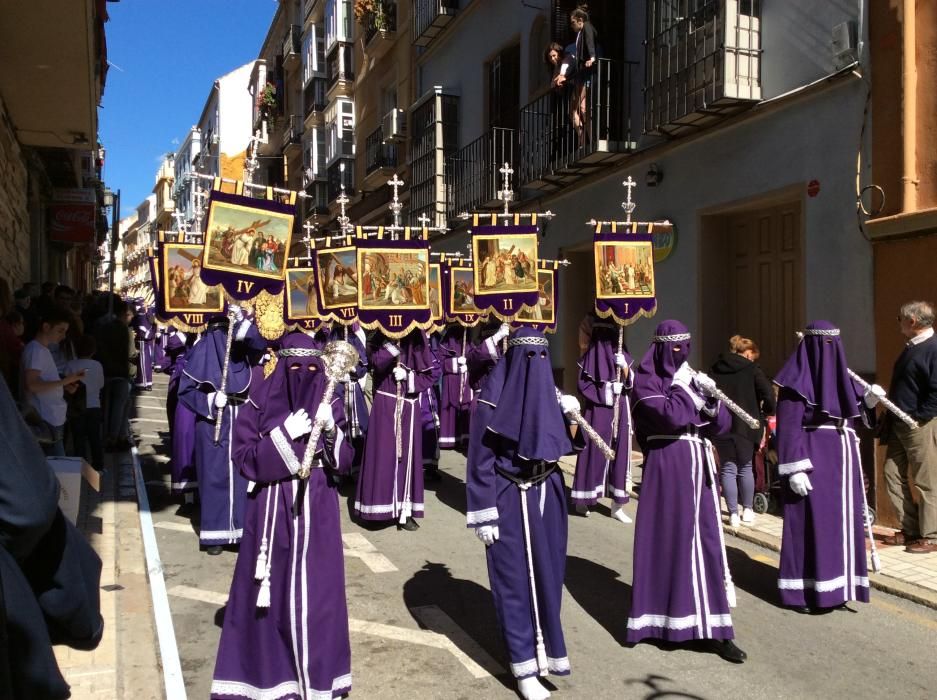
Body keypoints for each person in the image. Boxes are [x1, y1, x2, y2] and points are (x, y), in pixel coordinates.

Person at [212, 332, 353, 699]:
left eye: (311, 368)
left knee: (318, 597)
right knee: (270, 600)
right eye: (295, 368)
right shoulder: (259, 402)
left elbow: (346, 461)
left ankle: (319, 677)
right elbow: (243, 458)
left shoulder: (329, 399)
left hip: (317, 507)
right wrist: (283, 435)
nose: (302, 376)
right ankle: (272, 676)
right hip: (272, 510)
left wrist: (331, 430)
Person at [466, 327, 579, 700]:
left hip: (548, 492)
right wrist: (483, 511)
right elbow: (480, 459)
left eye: (542, 356)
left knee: (548, 579)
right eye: (529, 356)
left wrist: (570, 417)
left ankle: (546, 653)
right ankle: (524, 667)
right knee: (514, 582)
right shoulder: (493, 397)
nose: (536, 364)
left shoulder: (549, 392)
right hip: (510, 495)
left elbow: (555, 444)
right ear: (514, 357)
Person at [626, 321, 746, 663]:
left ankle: (715, 629)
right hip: (668, 465)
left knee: (706, 544)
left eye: (687, 346)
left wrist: (710, 398)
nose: (683, 355)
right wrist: (683, 390)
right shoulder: (645, 382)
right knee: (671, 541)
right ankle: (663, 622)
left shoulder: (689, 378)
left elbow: (720, 426)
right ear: (663, 347)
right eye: (677, 348)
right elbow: (671, 418)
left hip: (700, 465)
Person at [774, 321, 875, 611]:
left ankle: (839, 587)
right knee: (811, 524)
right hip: (813, 457)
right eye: (825, 344)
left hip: (842, 460)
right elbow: (789, 426)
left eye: (835, 343)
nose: (831, 351)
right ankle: (803, 592)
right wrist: (793, 467)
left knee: (841, 525)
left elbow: (852, 412)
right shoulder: (796, 381)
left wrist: (868, 400)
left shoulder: (843, 377)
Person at [178, 308, 266, 554]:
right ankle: (215, 535)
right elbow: (185, 391)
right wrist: (208, 401)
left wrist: (242, 321)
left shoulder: (240, 349)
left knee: (242, 476)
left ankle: (240, 531)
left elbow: (259, 342)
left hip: (240, 416)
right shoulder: (202, 349)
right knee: (214, 474)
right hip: (212, 420)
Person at [355, 329, 439, 531]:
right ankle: (376, 509)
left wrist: (409, 376)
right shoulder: (379, 336)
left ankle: (405, 510)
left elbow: (430, 374)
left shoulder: (416, 337)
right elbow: (375, 363)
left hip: (408, 406)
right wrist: (392, 344)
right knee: (382, 456)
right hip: (385, 403)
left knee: (406, 460)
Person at [882, 301, 937, 553]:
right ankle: (910, 528)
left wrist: (919, 417)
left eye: (900, 319)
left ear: (912, 321)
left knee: (926, 480)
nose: (899, 324)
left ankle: (931, 535)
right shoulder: (911, 347)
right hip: (899, 422)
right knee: (891, 473)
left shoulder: (932, 348)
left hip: (919, 425)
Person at [571, 315, 634, 522]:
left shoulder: (621, 353)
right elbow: (584, 386)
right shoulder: (589, 358)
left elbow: (633, 382)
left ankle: (617, 505)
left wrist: (624, 368)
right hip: (598, 411)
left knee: (621, 454)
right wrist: (608, 389)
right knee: (593, 453)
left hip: (621, 410)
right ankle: (585, 498)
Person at [710, 335, 776, 527]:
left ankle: (732, 514)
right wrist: (767, 412)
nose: (753, 360)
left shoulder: (715, 367)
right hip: (747, 424)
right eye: (752, 356)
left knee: (728, 468)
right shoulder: (752, 369)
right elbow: (768, 393)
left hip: (722, 424)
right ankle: (747, 510)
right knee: (746, 467)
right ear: (747, 352)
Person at [21, 307, 86, 457]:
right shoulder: (36, 351)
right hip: (45, 419)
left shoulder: (40, 350)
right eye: (60, 330)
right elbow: (32, 384)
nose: (63, 336)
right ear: (46, 327)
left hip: (50, 418)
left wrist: (64, 385)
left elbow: (41, 382)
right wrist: (66, 381)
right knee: (57, 467)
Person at [64, 335, 106, 471]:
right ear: (93, 350)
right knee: (95, 438)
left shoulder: (70, 365)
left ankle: (80, 468)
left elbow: (66, 384)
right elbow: (101, 384)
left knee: (78, 438)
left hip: (76, 406)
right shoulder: (97, 365)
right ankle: (98, 466)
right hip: (94, 405)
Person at [437, 324, 472, 451]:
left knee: (464, 406)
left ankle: (464, 438)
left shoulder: (468, 343)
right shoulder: (444, 345)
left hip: (465, 379)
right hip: (451, 380)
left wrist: (467, 365)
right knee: (449, 407)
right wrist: (456, 362)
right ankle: (449, 439)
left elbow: (474, 356)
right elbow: (441, 363)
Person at [569, 4, 598, 146]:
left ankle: (583, 140)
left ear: (580, 19)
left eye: (573, 22)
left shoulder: (586, 26)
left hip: (585, 74)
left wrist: (592, 58)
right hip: (583, 73)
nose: (572, 26)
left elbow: (590, 42)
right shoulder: (580, 32)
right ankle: (586, 139)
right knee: (582, 109)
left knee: (575, 109)